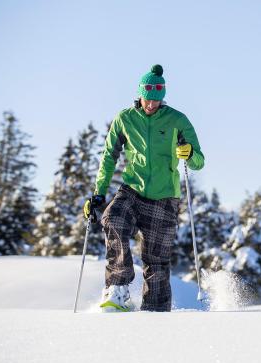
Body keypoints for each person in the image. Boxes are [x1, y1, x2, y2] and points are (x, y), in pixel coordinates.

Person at [84, 64, 205, 312]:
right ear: (140, 94)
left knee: (156, 262)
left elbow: (199, 161)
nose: (151, 105)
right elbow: (109, 156)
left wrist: (190, 154)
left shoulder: (177, 120)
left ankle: (155, 314)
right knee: (112, 218)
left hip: (164, 197)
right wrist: (99, 193)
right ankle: (118, 289)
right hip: (132, 189)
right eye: (148, 99)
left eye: (156, 100)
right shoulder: (125, 119)